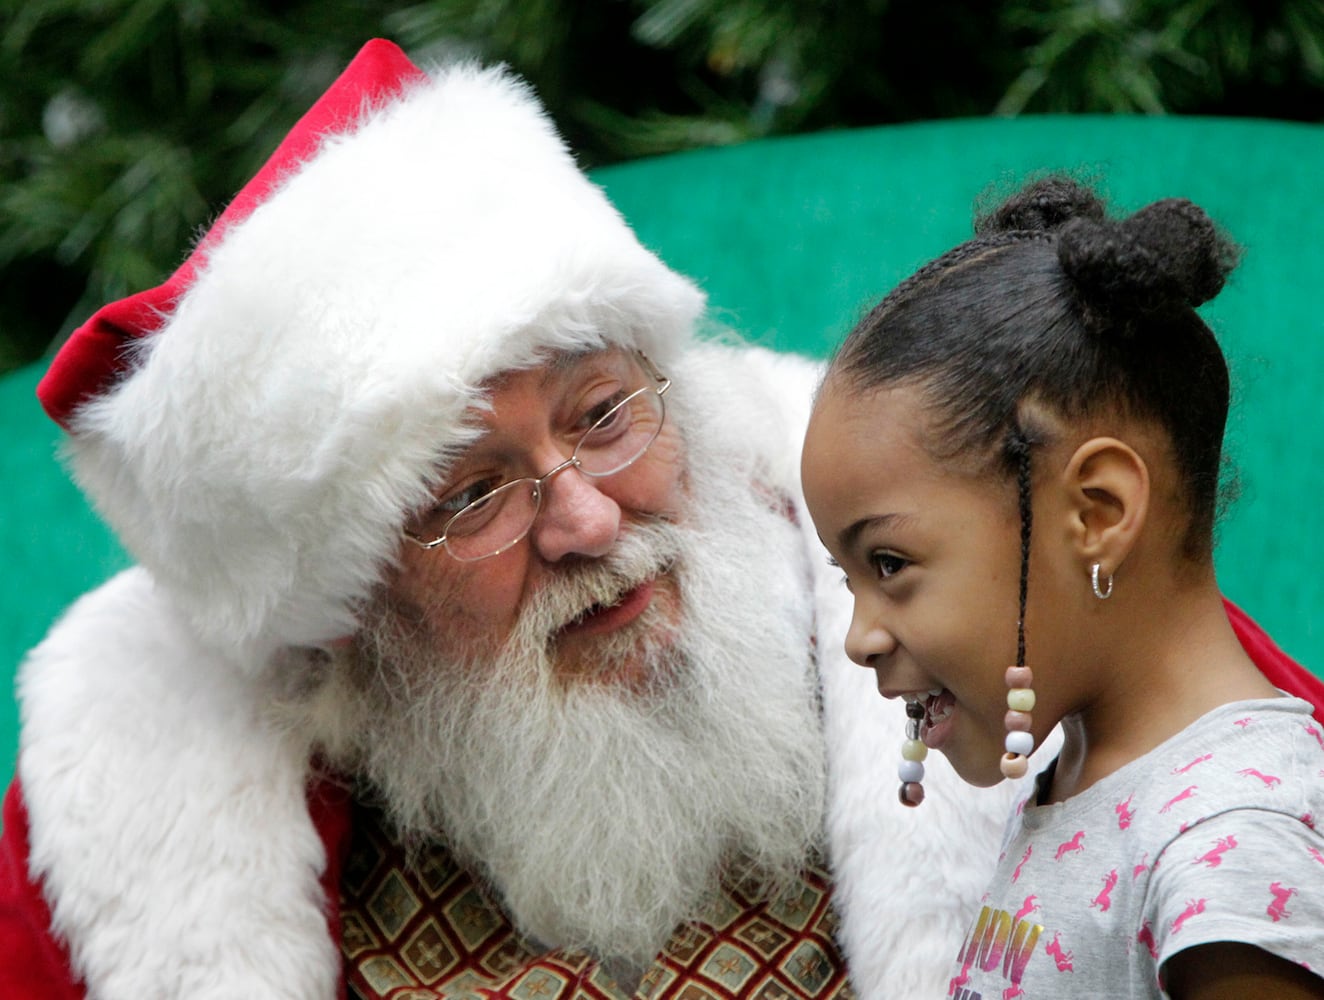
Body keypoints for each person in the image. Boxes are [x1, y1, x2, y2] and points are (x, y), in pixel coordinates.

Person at [0, 39, 1036, 1000]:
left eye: (600, 412)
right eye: (471, 495)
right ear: (349, 606)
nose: (583, 521)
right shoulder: (129, 829)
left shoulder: (986, 589)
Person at [801, 176, 1324, 998]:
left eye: (889, 565)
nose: (857, 637)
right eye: (849, 577)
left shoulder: (1228, 842)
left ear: (1098, 511)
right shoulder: (1076, 772)